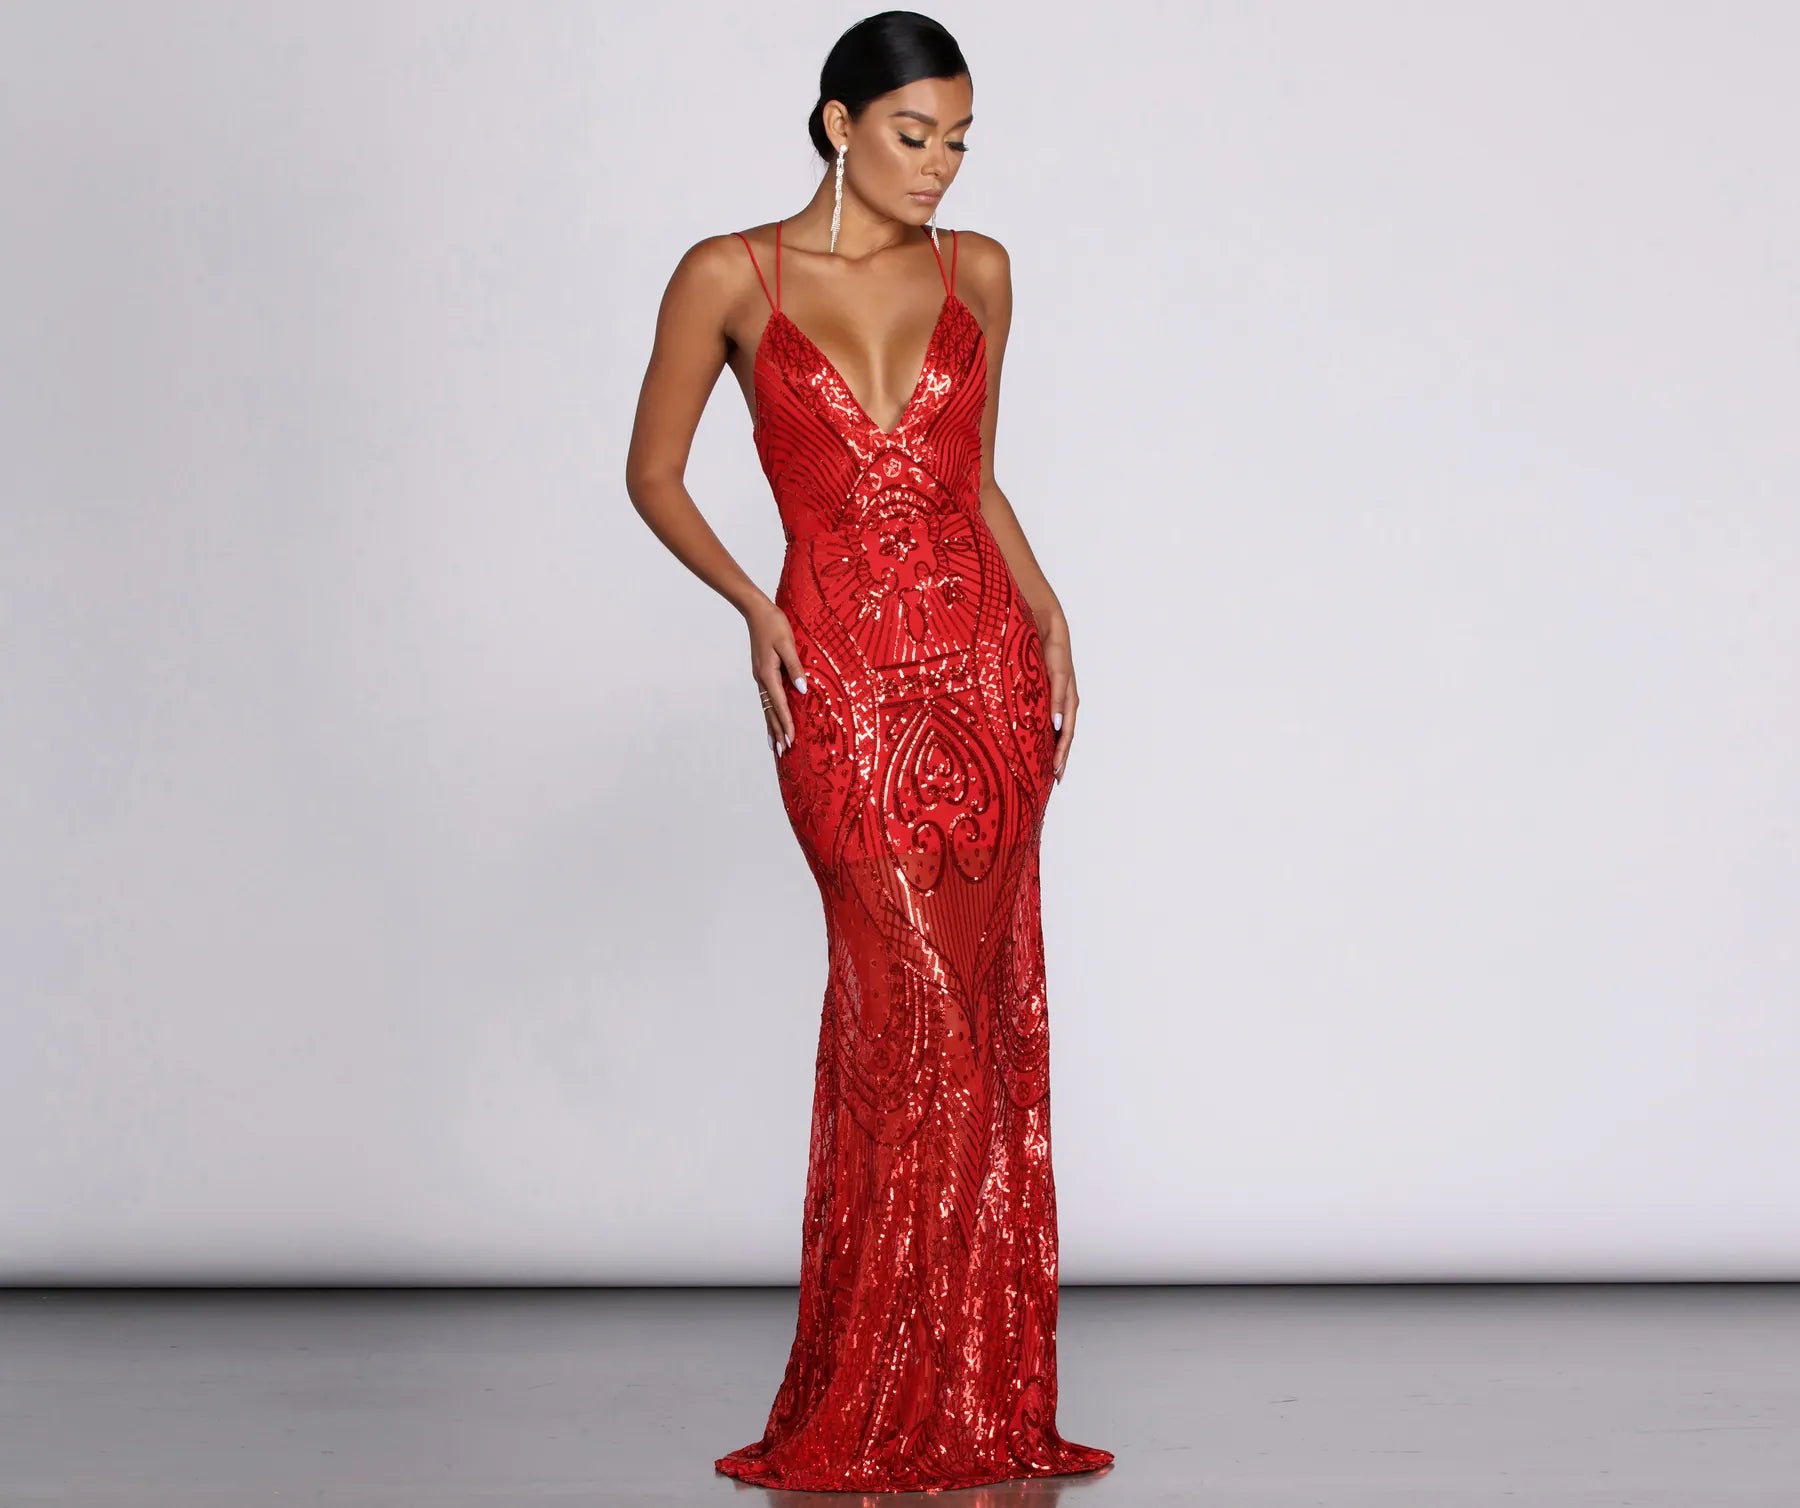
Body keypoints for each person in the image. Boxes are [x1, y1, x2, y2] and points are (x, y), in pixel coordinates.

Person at [624, 10, 1113, 1493]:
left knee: (976, 1023)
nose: (940, 166)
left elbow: (972, 480)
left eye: (959, 140)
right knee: (905, 1017)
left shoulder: (981, 272)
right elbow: (653, 473)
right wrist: (755, 607)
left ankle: (970, 1393)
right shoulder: (731, 275)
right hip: (838, 680)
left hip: (985, 677)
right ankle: (881, 1389)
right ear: (839, 124)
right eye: (914, 135)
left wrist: (1049, 613)